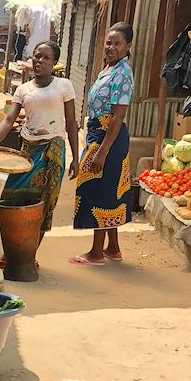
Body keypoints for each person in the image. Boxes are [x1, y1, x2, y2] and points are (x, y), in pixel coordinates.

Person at [0, 41, 79, 267]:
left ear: (54, 63)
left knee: (43, 205)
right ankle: (9, 254)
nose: (39, 61)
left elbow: (71, 122)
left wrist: (76, 159)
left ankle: (29, 256)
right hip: (27, 152)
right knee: (11, 199)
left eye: (45, 58)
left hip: (53, 151)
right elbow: (9, 120)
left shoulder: (64, 86)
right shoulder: (23, 90)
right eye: (36, 56)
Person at [70, 22, 135, 266]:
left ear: (128, 46)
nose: (111, 47)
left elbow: (118, 117)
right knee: (109, 192)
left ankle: (96, 253)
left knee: (97, 189)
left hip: (109, 137)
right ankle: (113, 248)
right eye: (109, 42)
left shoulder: (123, 74)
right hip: (99, 134)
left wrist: (103, 152)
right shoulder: (109, 68)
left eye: (117, 43)